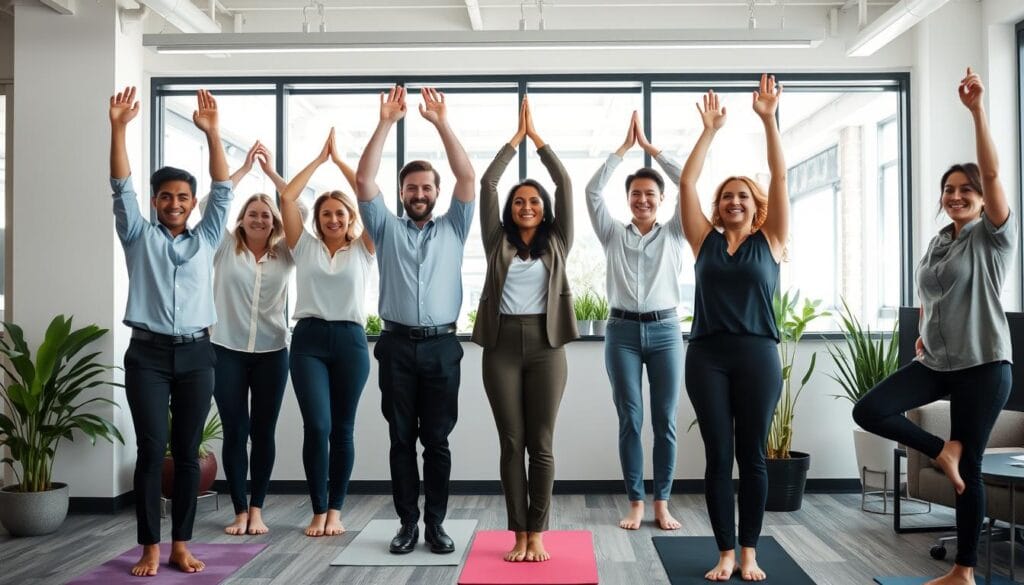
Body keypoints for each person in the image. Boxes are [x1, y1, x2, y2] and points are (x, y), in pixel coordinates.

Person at [853, 68, 1016, 585]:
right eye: (949, 190)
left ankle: (964, 571)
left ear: (982, 197)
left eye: (966, 189)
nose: (957, 195)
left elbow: (992, 177)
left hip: (984, 366)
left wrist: (976, 111)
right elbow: (930, 292)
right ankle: (938, 449)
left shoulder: (992, 238)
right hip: (936, 362)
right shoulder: (939, 241)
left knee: (970, 469)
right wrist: (926, 327)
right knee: (870, 408)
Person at [109, 86, 231, 576]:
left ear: (191, 201)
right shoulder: (137, 235)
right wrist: (118, 127)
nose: (175, 203)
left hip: (198, 355)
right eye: (166, 196)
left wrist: (214, 134)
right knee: (149, 449)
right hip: (148, 356)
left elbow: (223, 191)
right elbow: (121, 187)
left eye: (183, 197)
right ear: (156, 201)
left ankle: (181, 543)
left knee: (185, 454)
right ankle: (149, 548)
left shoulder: (206, 237)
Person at [355, 85, 475, 554]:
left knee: (438, 442)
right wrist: (386, 121)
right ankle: (407, 524)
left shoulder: (455, 226)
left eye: (427, 188)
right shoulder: (383, 228)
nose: (419, 194)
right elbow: (364, 182)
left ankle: (436, 525)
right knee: (401, 440)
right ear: (402, 193)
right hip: (397, 347)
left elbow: (468, 177)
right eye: (411, 188)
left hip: (443, 347)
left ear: (436, 193)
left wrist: (441, 122)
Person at [679, 75, 788, 582]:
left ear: (754, 203)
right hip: (706, 356)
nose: (734, 202)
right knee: (718, 454)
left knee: (753, 455)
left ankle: (750, 551)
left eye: (742, 196)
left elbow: (780, 179)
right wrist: (709, 131)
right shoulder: (702, 241)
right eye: (726, 197)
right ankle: (724, 550)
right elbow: (686, 185)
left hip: (758, 355)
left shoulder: (773, 240)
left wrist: (767, 119)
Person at [472, 97, 578, 562]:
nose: (527, 206)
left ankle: (539, 533)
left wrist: (540, 140)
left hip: (546, 345)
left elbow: (565, 182)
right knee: (512, 443)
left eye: (534, 201)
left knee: (543, 443)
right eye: (519, 202)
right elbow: (488, 181)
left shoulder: (558, 240)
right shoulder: (496, 241)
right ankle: (518, 533)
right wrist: (514, 141)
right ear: (511, 210)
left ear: (544, 208)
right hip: (500, 347)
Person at [586, 111, 686, 532]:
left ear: (660, 199)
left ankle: (662, 502)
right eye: (636, 194)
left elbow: (690, 183)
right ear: (627, 199)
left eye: (649, 194)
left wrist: (652, 151)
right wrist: (622, 152)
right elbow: (592, 191)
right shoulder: (612, 233)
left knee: (664, 421)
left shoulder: (677, 232)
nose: (642, 200)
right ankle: (635, 502)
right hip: (622, 332)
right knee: (630, 418)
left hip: (665, 332)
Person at [280, 128, 375, 537]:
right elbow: (287, 198)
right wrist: (320, 161)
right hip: (309, 342)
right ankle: (318, 509)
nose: (334, 218)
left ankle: (336, 509)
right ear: (316, 220)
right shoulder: (304, 246)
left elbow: (369, 193)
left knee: (343, 429)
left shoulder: (365, 248)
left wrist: (342, 164)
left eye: (341, 213)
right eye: (326, 213)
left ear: (351, 218)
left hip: (352, 342)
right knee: (317, 426)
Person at [212, 141, 292, 536]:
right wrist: (245, 168)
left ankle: (258, 508)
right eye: (252, 214)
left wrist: (272, 173)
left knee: (263, 432)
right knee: (235, 431)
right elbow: (215, 199)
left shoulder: (286, 254)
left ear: (274, 221)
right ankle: (239, 509)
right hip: (225, 349)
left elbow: (297, 205)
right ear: (241, 221)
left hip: (273, 352)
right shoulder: (224, 247)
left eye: (266, 215)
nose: (259, 219)